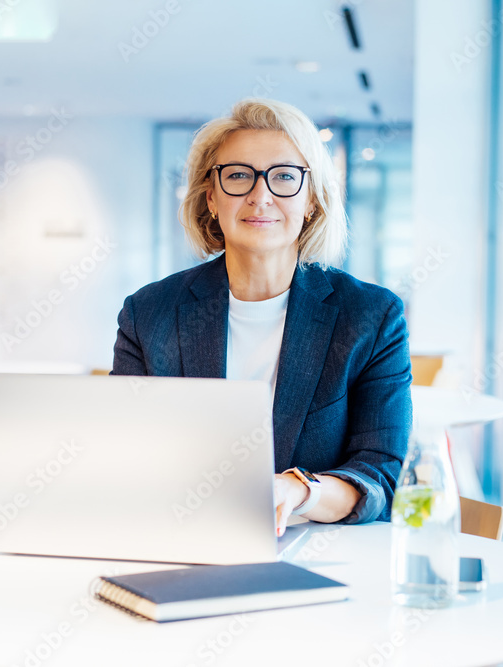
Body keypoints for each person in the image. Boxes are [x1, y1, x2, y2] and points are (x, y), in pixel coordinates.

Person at [112, 98, 412, 535]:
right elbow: (122, 455)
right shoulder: (149, 313)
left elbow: (381, 476)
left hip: (320, 554)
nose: (261, 195)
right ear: (210, 197)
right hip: (181, 540)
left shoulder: (370, 317)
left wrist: (299, 491)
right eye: (237, 176)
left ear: (311, 200)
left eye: (285, 177)